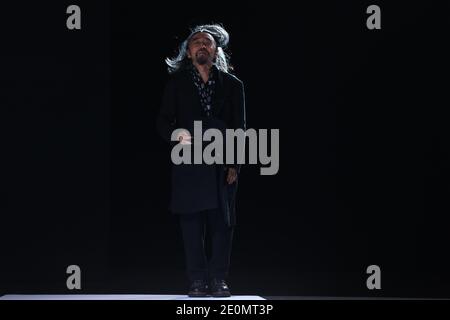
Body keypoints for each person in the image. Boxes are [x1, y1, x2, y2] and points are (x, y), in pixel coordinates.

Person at [156, 24, 246, 297]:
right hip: (189, 161)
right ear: (188, 52)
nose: (201, 45)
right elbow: (162, 121)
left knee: (222, 223)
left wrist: (234, 164)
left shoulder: (232, 85)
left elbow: (239, 127)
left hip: (221, 163)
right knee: (192, 223)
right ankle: (197, 280)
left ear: (216, 49)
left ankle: (218, 279)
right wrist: (177, 135)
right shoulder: (177, 84)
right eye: (196, 42)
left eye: (207, 42)